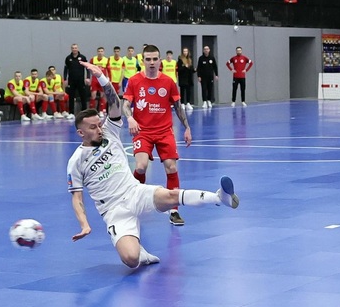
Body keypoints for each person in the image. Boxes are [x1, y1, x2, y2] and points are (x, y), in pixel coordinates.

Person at [68, 60, 239, 268]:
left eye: (99, 124)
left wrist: (102, 78)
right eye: (93, 128)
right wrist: (84, 224)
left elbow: (114, 102)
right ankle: (141, 254)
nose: (99, 129)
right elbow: (77, 198)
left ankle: (219, 197)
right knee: (131, 260)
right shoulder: (76, 161)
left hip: (134, 192)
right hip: (113, 210)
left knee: (170, 195)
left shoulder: (109, 132)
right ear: (81, 133)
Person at [123, 44, 193, 226]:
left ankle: (174, 210)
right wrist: (130, 118)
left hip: (164, 131)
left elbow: (178, 107)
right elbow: (125, 104)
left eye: (155, 59)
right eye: (148, 59)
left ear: (160, 60)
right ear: (142, 61)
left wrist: (187, 127)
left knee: (171, 167)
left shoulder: (168, 82)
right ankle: (134, 202)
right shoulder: (134, 81)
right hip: (142, 131)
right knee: (140, 166)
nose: (152, 62)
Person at [63, 43, 89, 115]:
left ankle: (84, 112)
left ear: (78, 48)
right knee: (71, 97)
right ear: (71, 49)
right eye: (73, 48)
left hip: (81, 80)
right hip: (71, 81)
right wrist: (65, 79)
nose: (74, 49)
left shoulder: (82, 57)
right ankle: (71, 113)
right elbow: (65, 69)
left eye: (75, 48)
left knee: (83, 96)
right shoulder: (68, 58)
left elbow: (87, 68)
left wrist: (88, 77)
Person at [89, 46, 109, 116]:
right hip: (95, 79)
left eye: (101, 51)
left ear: (103, 52)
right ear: (97, 52)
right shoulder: (93, 59)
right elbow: (89, 69)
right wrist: (90, 79)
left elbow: (108, 70)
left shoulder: (106, 60)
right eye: (99, 51)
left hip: (102, 79)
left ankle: (101, 111)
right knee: (93, 95)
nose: (100, 53)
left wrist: (108, 78)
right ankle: (92, 112)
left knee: (102, 95)